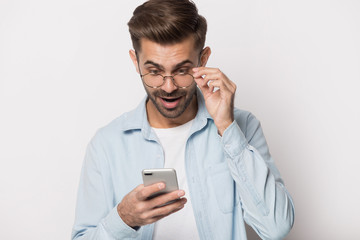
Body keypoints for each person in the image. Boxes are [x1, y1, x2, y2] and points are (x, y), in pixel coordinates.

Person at [71, 0, 295, 239]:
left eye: (182, 70)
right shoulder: (107, 144)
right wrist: (123, 218)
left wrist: (226, 127)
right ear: (135, 62)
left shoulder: (242, 126)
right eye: (155, 72)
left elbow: (276, 229)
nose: (168, 87)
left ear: (203, 59)